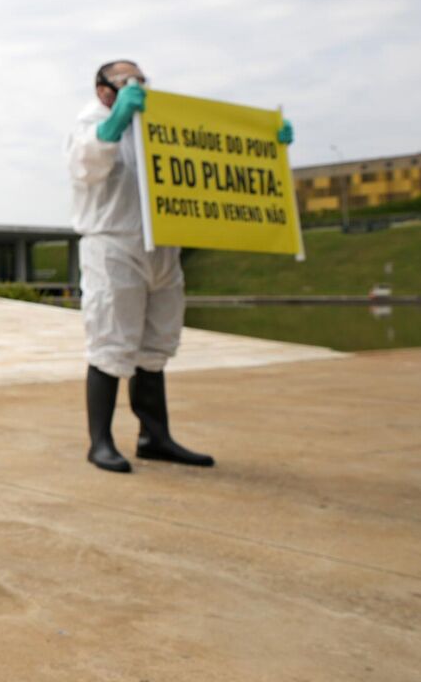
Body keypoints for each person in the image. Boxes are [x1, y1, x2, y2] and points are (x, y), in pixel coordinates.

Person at [64, 61, 293, 473]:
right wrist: (114, 123)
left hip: (164, 248)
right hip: (114, 247)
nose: (138, 87)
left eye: (142, 80)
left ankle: (155, 436)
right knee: (111, 342)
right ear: (103, 91)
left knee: (155, 347)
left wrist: (268, 145)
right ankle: (100, 441)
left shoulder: (161, 125)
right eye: (127, 82)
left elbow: (214, 155)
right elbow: (85, 165)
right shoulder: (90, 122)